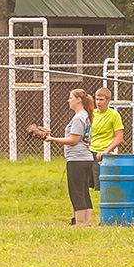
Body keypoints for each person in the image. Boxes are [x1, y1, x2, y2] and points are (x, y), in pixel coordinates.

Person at [44, 89, 95, 227]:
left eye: (71, 97)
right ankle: (87, 222)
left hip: (77, 159)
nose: (68, 100)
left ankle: (80, 223)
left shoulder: (79, 117)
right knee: (84, 191)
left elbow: (74, 140)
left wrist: (52, 139)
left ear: (78, 100)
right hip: (86, 158)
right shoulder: (85, 116)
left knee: (76, 191)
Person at [89, 87, 125, 193]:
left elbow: (119, 137)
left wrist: (106, 151)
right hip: (89, 151)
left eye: (101, 100)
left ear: (108, 101)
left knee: (100, 187)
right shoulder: (92, 114)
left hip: (102, 153)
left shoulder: (114, 115)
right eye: (96, 99)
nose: (98, 102)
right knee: (85, 184)